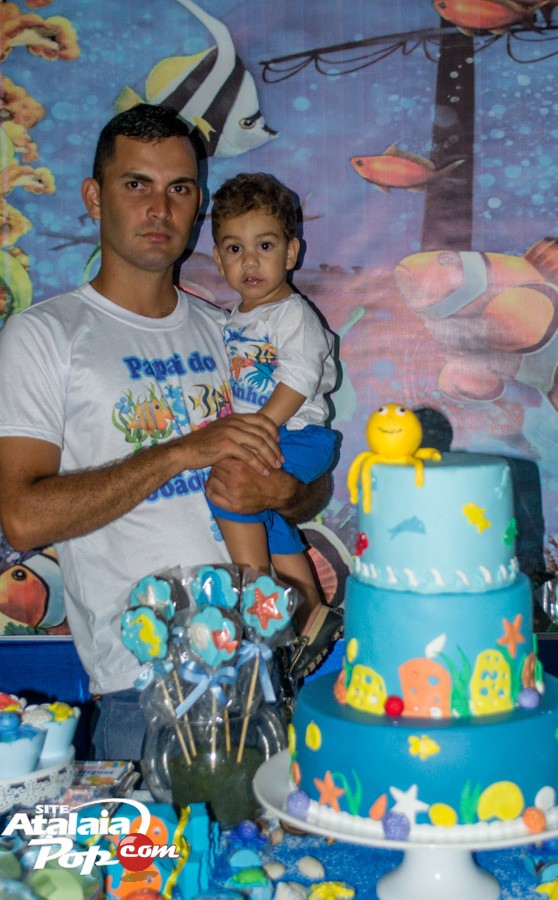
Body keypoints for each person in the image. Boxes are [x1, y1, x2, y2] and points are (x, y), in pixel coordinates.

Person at [0, 104, 330, 761]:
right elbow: (23, 519)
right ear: (94, 197)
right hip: (146, 693)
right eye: (136, 184)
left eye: (179, 188)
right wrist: (181, 452)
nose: (159, 208)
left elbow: (308, 490)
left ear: (198, 205)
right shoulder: (45, 336)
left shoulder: (232, 329)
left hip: (263, 680)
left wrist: (282, 493)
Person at [209, 173, 343, 679]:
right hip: (273, 431)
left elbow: (300, 377)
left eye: (264, 246)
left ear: (291, 252)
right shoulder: (233, 319)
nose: (250, 262)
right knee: (264, 514)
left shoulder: (292, 315)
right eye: (235, 249)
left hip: (298, 435)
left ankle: (255, 589)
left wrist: (259, 427)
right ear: (218, 259)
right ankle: (311, 612)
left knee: (229, 489)